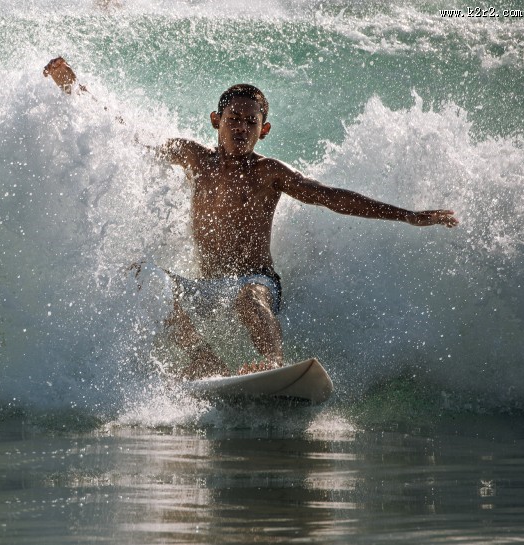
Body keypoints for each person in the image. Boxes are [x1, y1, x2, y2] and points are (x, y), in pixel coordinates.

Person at [43, 57, 459, 380]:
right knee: (144, 278)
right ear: (215, 121)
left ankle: (272, 362)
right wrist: (74, 89)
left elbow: (330, 197)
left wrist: (409, 216)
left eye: (250, 122)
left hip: (254, 281)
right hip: (207, 287)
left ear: (265, 130)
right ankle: (204, 363)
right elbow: (128, 136)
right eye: (232, 120)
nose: (240, 128)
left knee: (248, 297)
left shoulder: (268, 173)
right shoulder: (193, 158)